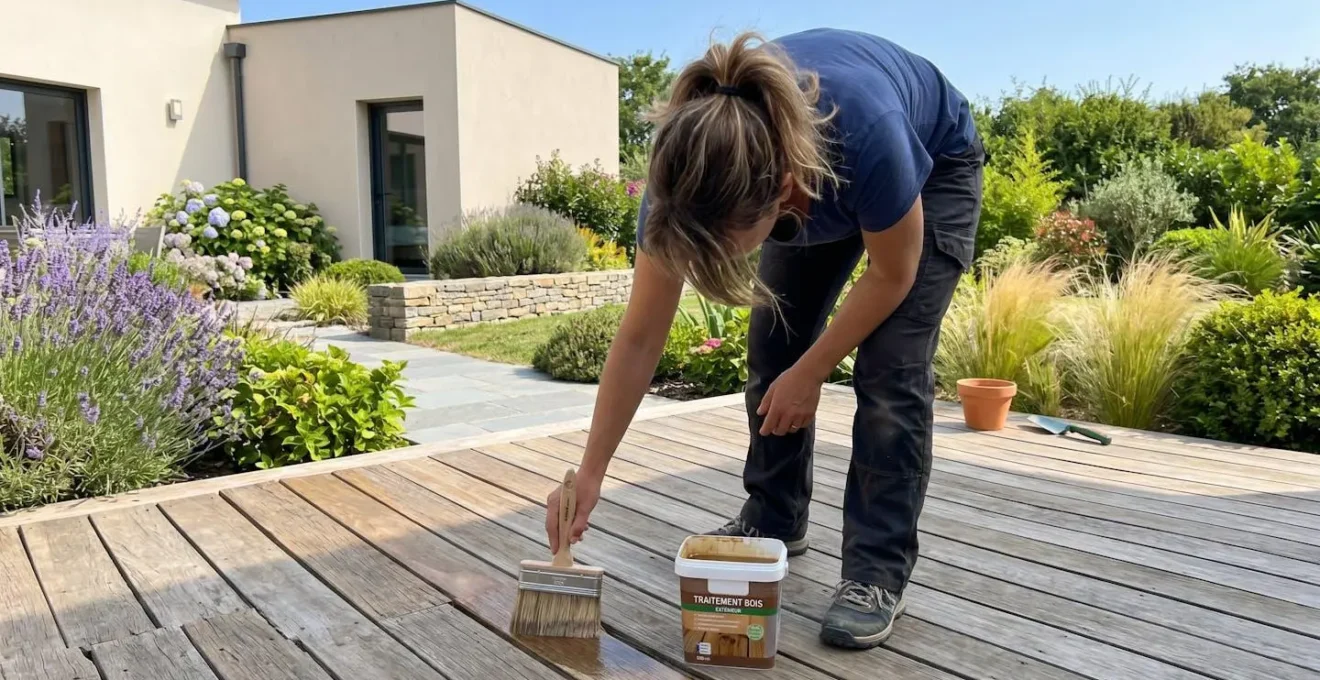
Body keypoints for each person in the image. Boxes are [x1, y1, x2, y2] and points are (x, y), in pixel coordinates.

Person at [544, 28, 981, 649]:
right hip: (812, 171)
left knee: (890, 369)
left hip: (933, 166)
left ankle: (875, 572)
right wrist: (591, 471)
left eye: (728, 246)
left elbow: (892, 274)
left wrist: (814, 371)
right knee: (774, 344)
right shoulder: (683, 180)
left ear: (781, 193)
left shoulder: (868, 134)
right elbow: (640, 338)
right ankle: (775, 517)